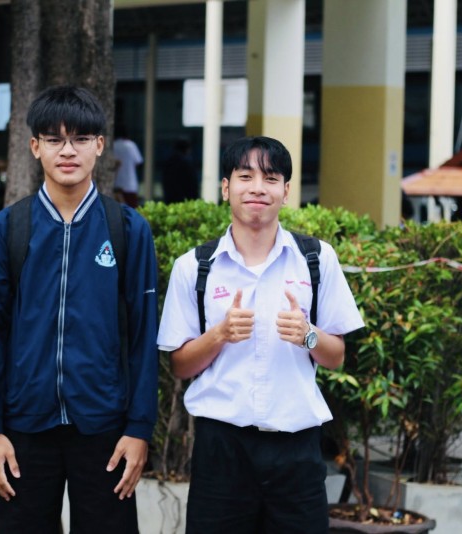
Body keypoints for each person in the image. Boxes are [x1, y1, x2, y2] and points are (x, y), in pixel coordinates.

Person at [0, 85, 159, 533]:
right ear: (35, 147)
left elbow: (143, 337)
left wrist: (139, 428)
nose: (68, 150)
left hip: (106, 429)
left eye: (80, 138)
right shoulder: (4, 231)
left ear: (100, 145)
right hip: (23, 429)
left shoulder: (128, 230)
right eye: (54, 139)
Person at [157, 136, 364, 533]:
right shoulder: (194, 267)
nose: (257, 188)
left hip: (296, 449)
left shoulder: (316, 259)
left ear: (286, 191)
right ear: (225, 188)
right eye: (245, 176)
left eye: (270, 178)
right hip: (221, 449)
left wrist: (307, 334)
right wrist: (219, 334)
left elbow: (336, 356)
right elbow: (180, 365)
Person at [112, 123, 143, 208]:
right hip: (130, 184)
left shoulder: (113, 146)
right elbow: (138, 162)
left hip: (116, 183)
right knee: (131, 210)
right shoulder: (131, 145)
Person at [161, 137, 199, 203]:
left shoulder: (169, 162)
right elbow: (192, 184)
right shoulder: (186, 163)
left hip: (170, 198)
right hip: (184, 199)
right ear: (186, 149)